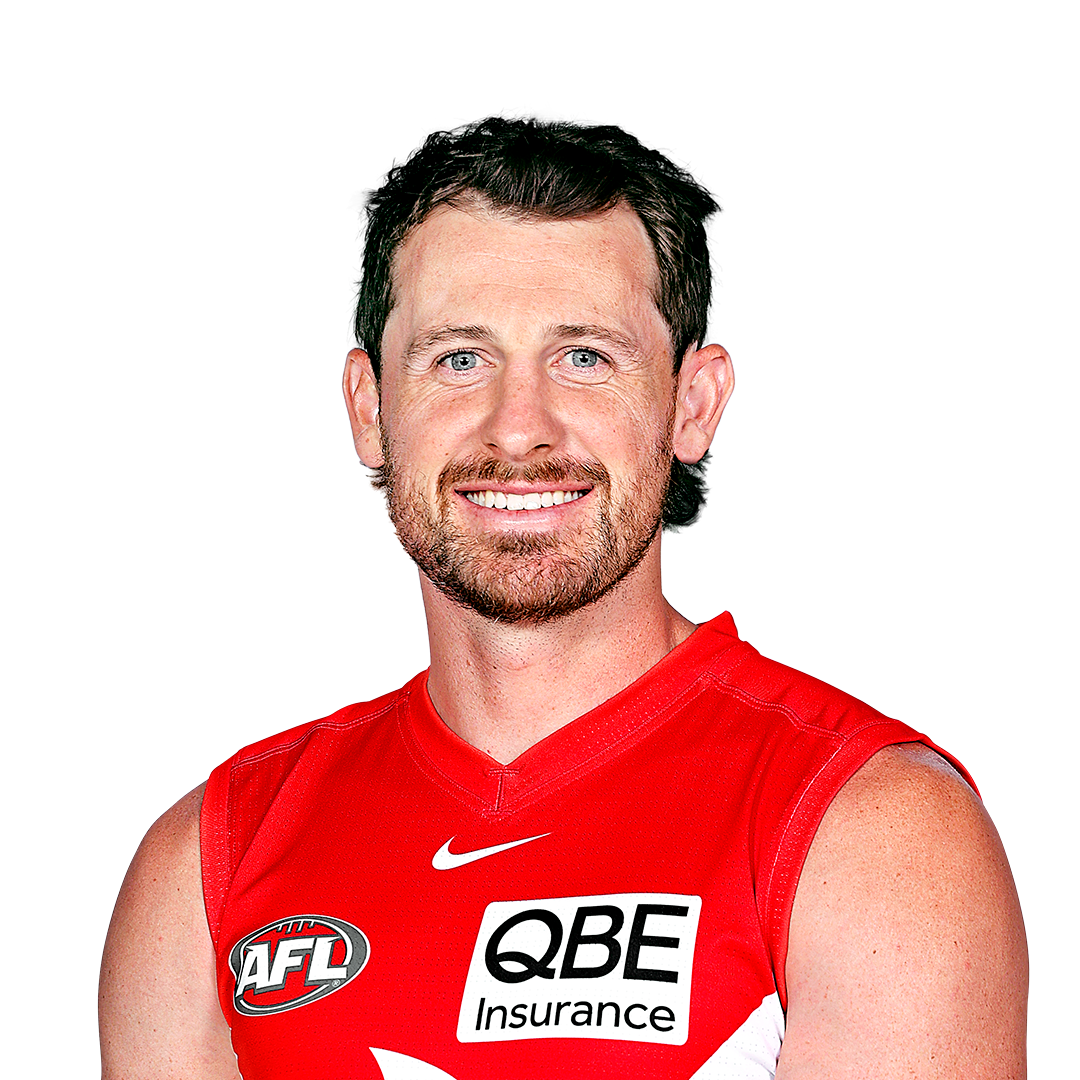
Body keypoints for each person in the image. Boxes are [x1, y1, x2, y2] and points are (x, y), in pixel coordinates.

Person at [99, 103, 1027, 1080]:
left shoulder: (869, 831)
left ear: (693, 404)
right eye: (460, 359)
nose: (518, 427)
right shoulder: (208, 864)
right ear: (371, 410)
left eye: (584, 357)